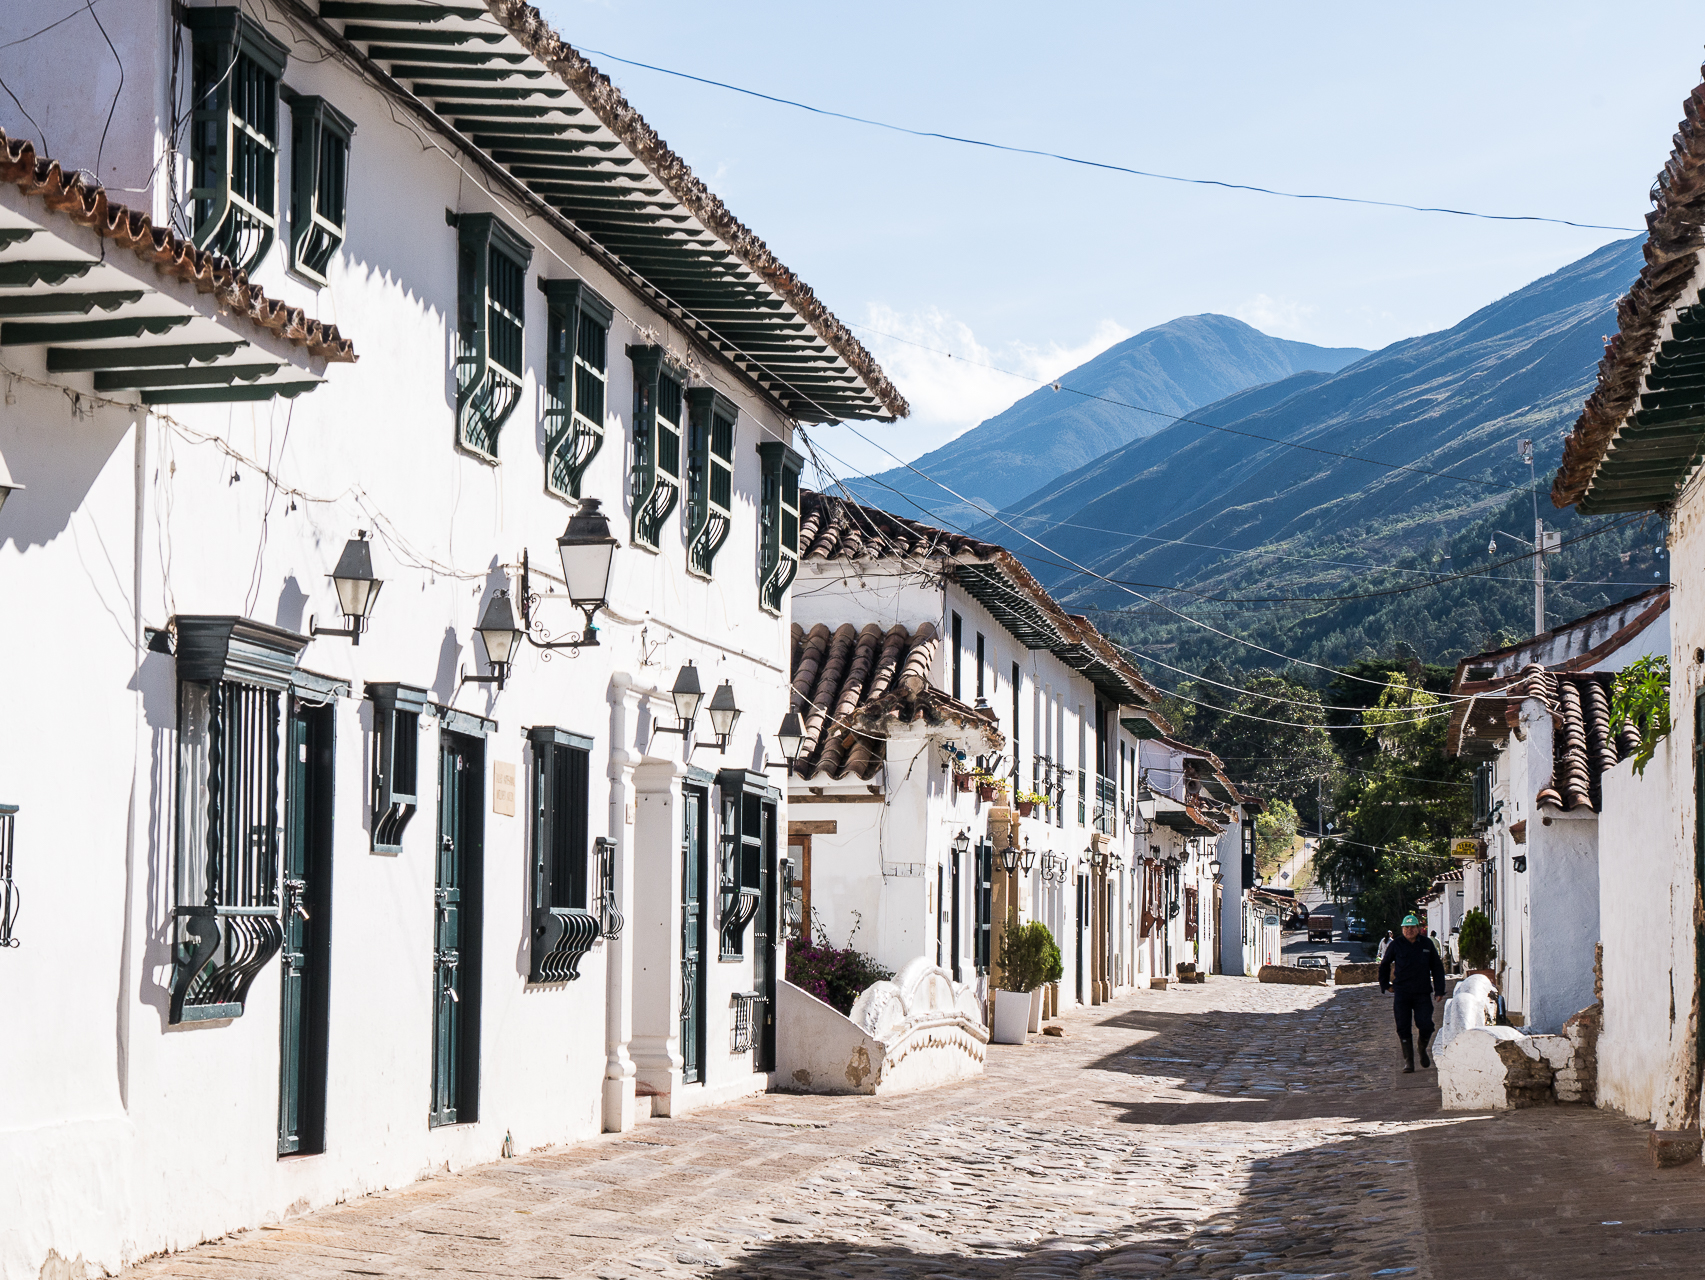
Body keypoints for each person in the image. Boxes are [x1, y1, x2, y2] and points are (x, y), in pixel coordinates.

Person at [1379, 913, 1446, 1073]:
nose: (1409, 930)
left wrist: (1439, 989)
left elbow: (1437, 967)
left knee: (1426, 1025)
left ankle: (1422, 1049)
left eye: (1412, 927)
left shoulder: (1427, 944)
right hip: (1402, 992)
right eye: (1406, 927)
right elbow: (1385, 964)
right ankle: (1408, 1060)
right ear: (1402, 929)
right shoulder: (1396, 945)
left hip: (1422, 991)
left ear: (1418, 929)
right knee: (1402, 1026)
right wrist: (1385, 985)